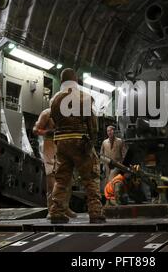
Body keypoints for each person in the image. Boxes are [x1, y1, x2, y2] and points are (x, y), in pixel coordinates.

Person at [49, 68, 105, 224]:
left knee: (61, 179)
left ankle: (56, 211)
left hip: (61, 142)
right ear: (76, 80)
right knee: (90, 178)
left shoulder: (54, 99)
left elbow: (53, 121)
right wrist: (91, 143)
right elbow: (93, 124)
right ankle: (95, 212)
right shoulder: (85, 97)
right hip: (80, 142)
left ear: (62, 81)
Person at [33, 108, 76, 219]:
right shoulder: (46, 113)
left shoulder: (66, 113)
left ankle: (64, 208)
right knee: (52, 181)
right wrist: (48, 132)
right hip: (50, 146)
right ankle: (52, 210)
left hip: (63, 145)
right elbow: (35, 130)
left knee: (67, 178)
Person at [100, 125, 127, 191]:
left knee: (115, 181)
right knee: (108, 182)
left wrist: (122, 165)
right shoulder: (104, 142)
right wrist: (103, 164)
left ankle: (115, 196)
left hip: (117, 165)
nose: (109, 132)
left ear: (114, 131)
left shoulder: (120, 141)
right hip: (107, 166)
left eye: (111, 130)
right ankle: (109, 197)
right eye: (108, 131)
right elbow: (101, 154)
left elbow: (124, 154)